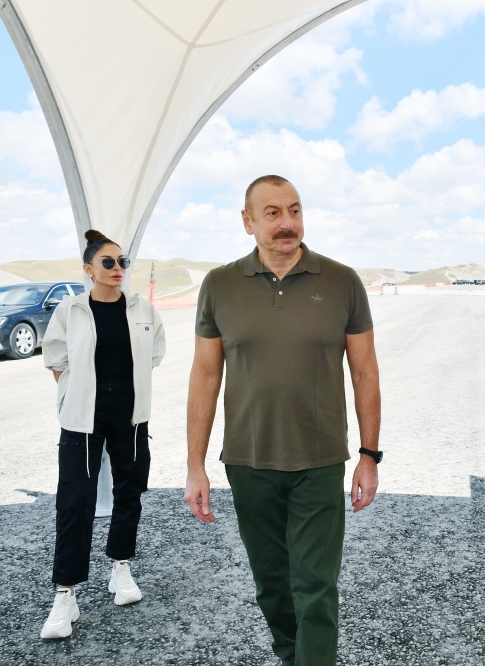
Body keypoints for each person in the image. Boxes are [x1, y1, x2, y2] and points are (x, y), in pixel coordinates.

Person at [185, 175, 381, 666]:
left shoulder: (342, 281)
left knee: (315, 586)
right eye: (272, 213)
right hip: (248, 463)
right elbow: (205, 375)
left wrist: (369, 456)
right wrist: (195, 466)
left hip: (319, 462)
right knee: (272, 585)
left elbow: (364, 371)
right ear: (247, 221)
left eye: (294, 210)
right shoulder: (219, 285)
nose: (287, 222)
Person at [39, 230, 166, 639]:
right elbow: (56, 358)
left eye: (122, 262)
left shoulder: (143, 309)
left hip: (130, 417)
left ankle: (120, 568)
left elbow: (155, 353)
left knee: (130, 492)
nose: (117, 268)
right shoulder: (71, 310)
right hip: (82, 419)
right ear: (88, 269)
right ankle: (66, 593)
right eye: (108, 262)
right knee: (75, 500)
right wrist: (74, 394)